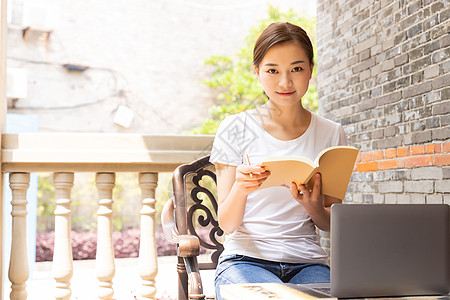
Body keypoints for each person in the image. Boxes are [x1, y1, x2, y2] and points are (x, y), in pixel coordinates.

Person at [209, 22, 348, 299]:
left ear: (311, 69)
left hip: (308, 262)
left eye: (296, 69)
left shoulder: (332, 132)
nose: (285, 82)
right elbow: (227, 224)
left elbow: (331, 222)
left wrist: (313, 207)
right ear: (257, 72)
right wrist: (240, 188)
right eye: (272, 70)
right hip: (245, 260)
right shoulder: (235, 127)